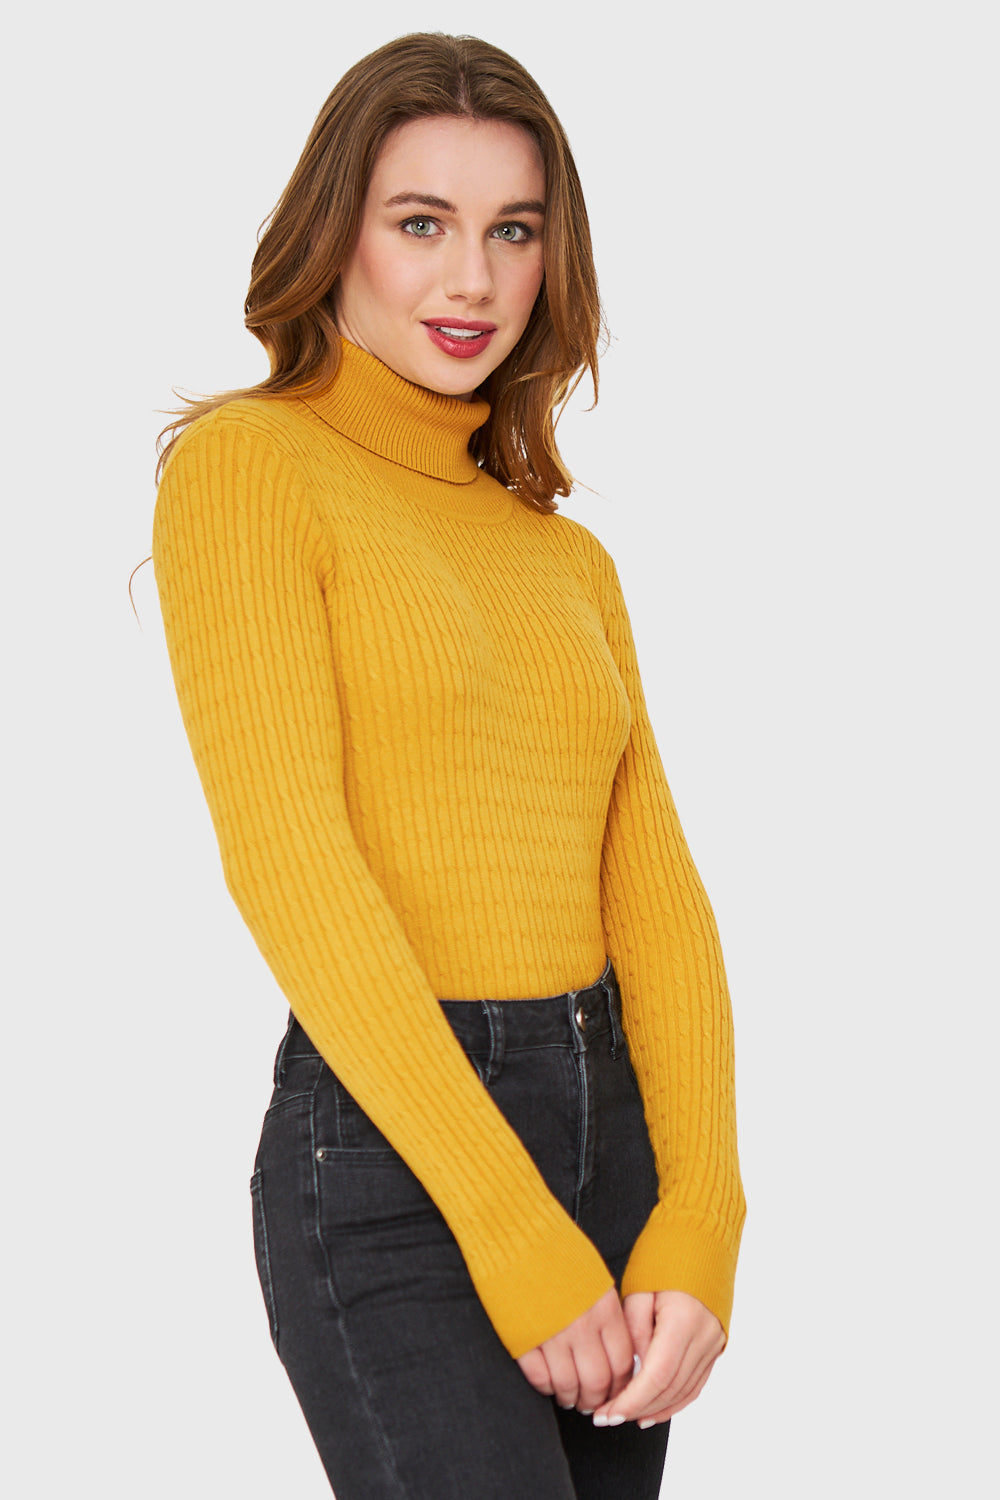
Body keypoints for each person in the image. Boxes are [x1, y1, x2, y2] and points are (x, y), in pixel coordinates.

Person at [152, 31, 746, 1500]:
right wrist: (508, 1219)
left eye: (513, 231)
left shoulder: (567, 558)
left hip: (612, 1147)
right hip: (396, 1161)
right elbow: (292, 863)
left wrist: (703, 1215)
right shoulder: (249, 467)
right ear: (336, 233)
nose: (471, 278)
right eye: (421, 223)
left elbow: (657, 900)